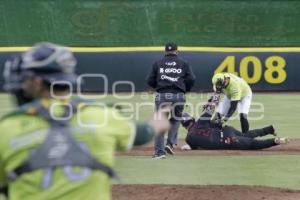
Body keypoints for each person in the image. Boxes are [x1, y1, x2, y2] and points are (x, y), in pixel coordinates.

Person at [0, 42, 170, 200]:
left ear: (37, 83)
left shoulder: (7, 129)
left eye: (25, 79)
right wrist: (158, 121)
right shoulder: (100, 115)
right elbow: (142, 134)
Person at [181, 95, 289, 151]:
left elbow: (193, 147)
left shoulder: (189, 139)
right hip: (227, 130)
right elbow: (212, 108)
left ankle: (275, 141)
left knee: (252, 144)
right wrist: (215, 96)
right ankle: (269, 129)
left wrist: (187, 146)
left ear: (184, 125)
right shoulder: (201, 121)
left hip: (226, 141)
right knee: (247, 135)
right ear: (192, 119)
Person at [146, 42, 195, 158]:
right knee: (176, 119)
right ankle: (170, 143)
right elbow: (192, 78)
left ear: (165, 51)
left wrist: (156, 86)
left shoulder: (157, 63)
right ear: (177, 51)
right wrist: (185, 89)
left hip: (162, 95)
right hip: (179, 95)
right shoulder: (184, 63)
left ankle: (159, 152)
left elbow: (149, 80)